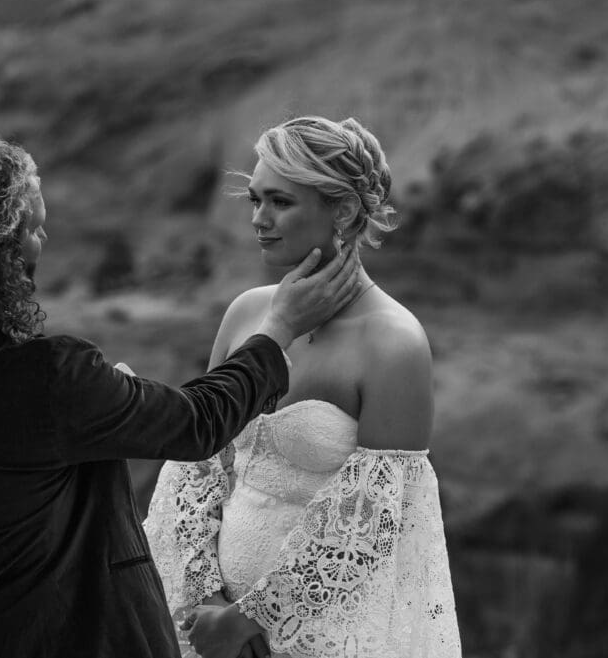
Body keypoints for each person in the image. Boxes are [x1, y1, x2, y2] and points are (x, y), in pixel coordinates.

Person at [0, 125, 364, 658]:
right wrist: (277, 333)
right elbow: (199, 423)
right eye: (33, 229)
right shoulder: (51, 378)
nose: (44, 241)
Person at [143, 116, 463, 658]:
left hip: (323, 633)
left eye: (280, 202)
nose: (259, 220)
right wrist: (207, 598)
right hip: (203, 627)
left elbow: (371, 526)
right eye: (254, 200)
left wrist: (249, 622)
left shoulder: (394, 342)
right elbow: (197, 462)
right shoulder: (247, 313)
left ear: (341, 210)